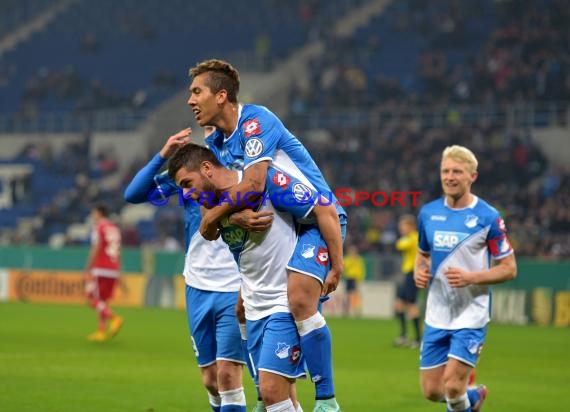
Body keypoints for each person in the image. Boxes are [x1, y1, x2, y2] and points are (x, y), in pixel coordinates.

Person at [185, 59, 346, 412]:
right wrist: (231, 216)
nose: (190, 101)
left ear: (222, 95)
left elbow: (255, 185)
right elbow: (215, 194)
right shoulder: (215, 140)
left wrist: (217, 216)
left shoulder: (257, 121)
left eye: (197, 92)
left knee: (299, 299)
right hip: (287, 228)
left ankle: (327, 400)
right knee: (249, 316)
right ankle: (270, 396)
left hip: (318, 219)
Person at [168, 143, 339, 412]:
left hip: (284, 300)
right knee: (281, 399)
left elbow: (325, 210)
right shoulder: (212, 205)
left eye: (188, 184)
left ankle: (328, 399)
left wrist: (335, 266)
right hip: (253, 306)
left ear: (207, 168)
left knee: (271, 391)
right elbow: (207, 229)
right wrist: (234, 217)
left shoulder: (268, 183)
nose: (187, 194)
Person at [124, 129, 247, 412]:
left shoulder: (244, 170)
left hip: (233, 286)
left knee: (228, 374)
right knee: (210, 380)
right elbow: (133, 194)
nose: (211, 133)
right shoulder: (189, 177)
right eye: (207, 130)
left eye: (215, 130)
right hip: (197, 287)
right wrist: (163, 154)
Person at [414, 145, 517, 412]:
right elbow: (422, 253)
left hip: (471, 314)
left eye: (457, 171)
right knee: (432, 391)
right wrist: (419, 269)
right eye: (445, 171)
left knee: (452, 387)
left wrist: (472, 277)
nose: (450, 177)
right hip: (437, 313)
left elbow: (509, 268)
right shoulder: (428, 213)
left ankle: (462, 397)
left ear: (472, 176)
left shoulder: (488, 217)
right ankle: (474, 397)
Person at [84, 203, 124, 342]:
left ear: (99, 213)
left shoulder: (99, 226)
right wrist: (118, 270)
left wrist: (88, 266)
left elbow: (96, 246)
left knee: (91, 298)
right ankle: (101, 331)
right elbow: (118, 251)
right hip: (112, 269)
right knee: (103, 301)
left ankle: (114, 318)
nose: (92, 216)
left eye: (93, 213)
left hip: (100, 268)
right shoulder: (114, 229)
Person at [393, 214, 421, 348]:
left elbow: (400, 245)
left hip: (413, 273)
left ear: (410, 226)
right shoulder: (412, 237)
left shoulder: (414, 237)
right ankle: (404, 336)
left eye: (403, 226)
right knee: (399, 304)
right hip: (408, 273)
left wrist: (403, 239)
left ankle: (417, 339)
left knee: (411, 304)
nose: (401, 229)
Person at [342, 245, 365, 317]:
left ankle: (357, 311)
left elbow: (362, 270)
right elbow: (344, 267)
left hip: (356, 279)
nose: (352, 252)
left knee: (355, 295)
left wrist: (360, 279)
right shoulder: (347, 259)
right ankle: (346, 311)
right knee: (347, 296)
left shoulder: (359, 259)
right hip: (349, 278)